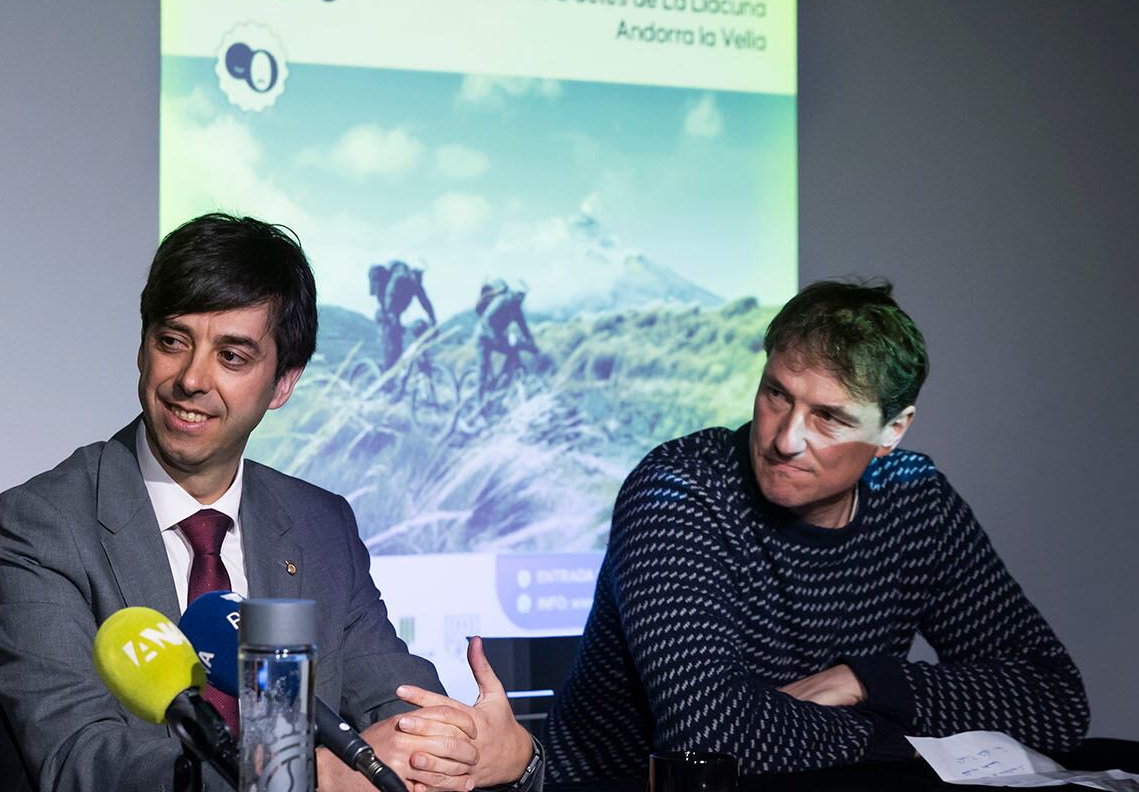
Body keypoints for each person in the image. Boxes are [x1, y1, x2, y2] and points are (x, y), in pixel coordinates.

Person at [0, 214, 542, 792]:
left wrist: (496, 754)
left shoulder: (320, 525)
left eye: (232, 357)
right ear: (142, 348)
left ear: (283, 384)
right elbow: (80, 760)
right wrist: (311, 778)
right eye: (172, 341)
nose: (192, 379)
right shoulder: (39, 526)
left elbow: (397, 706)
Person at [541, 279, 1090, 780]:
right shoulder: (679, 490)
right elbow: (707, 735)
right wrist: (902, 745)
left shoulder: (914, 499)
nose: (785, 440)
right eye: (776, 394)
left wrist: (867, 681)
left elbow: (1055, 701)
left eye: (829, 417)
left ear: (893, 430)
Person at [471, 280, 538, 397]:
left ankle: (502, 386)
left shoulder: (517, 309)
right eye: (520, 295)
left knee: (513, 353)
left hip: (497, 336)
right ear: (514, 293)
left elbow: (524, 328)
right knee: (483, 369)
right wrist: (495, 338)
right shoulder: (501, 301)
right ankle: (479, 402)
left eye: (524, 296)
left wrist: (532, 344)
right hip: (483, 337)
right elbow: (486, 320)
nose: (522, 298)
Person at [370, 259, 436, 369]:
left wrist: (433, 319)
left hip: (396, 314)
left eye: (421, 274)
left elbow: (425, 302)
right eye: (418, 273)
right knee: (393, 351)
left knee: (418, 330)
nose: (420, 276)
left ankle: (414, 371)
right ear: (412, 271)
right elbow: (389, 299)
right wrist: (394, 320)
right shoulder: (399, 279)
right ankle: (388, 378)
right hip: (386, 315)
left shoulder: (416, 283)